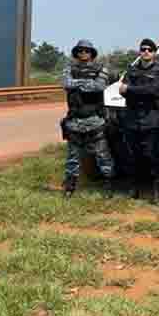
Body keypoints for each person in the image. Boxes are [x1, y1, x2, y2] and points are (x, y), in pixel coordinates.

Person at [61, 39, 114, 198]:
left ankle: (108, 185)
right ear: (76, 52)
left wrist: (78, 84)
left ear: (92, 53)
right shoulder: (69, 68)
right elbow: (66, 83)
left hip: (95, 120)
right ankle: (70, 187)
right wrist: (87, 82)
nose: (84, 53)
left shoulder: (102, 69)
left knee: (103, 155)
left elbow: (99, 86)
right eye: (81, 50)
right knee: (73, 157)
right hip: (74, 121)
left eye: (87, 51)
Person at [119, 38, 159, 201]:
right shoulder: (131, 69)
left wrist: (132, 89)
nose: (146, 52)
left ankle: (156, 189)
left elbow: (154, 90)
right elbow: (121, 90)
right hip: (132, 117)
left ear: (154, 53)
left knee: (152, 154)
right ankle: (133, 187)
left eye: (149, 49)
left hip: (152, 117)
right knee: (131, 155)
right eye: (143, 49)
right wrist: (139, 91)